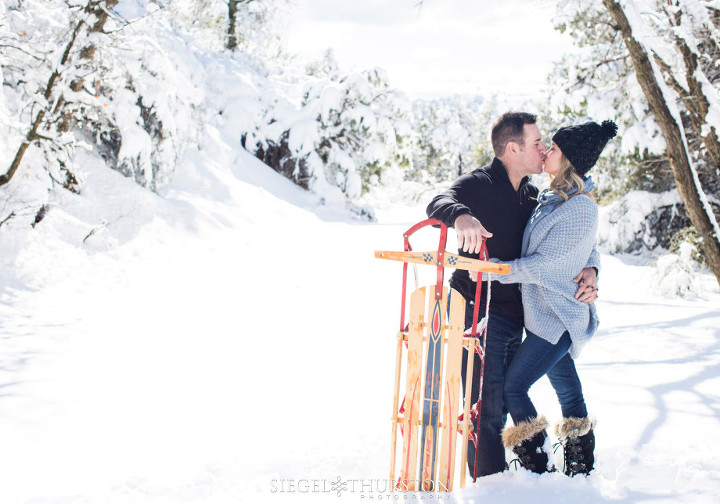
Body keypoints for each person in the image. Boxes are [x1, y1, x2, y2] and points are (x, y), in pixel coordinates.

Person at [425, 112, 599, 478]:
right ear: (512, 148)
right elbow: (438, 200)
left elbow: (571, 241)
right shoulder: (481, 183)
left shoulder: (535, 196)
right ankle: (490, 481)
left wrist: (592, 268)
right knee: (486, 406)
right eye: (537, 143)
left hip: (521, 312)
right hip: (477, 308)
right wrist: (460, 216)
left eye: (546, 145)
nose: (543, 148)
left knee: (509, 396)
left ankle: (536, 473)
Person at [492, 120, 617, 476]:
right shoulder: (552, 198)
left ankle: (536, 464)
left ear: (570, 161)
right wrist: (592, 267)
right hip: (544, 314)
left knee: (515, 387)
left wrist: (497, 270)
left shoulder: (579, 206)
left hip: (558, 318)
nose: (547, 151)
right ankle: (580, 467)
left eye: (555, 149)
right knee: (570, 394)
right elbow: (586, 248)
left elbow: (546, 264)